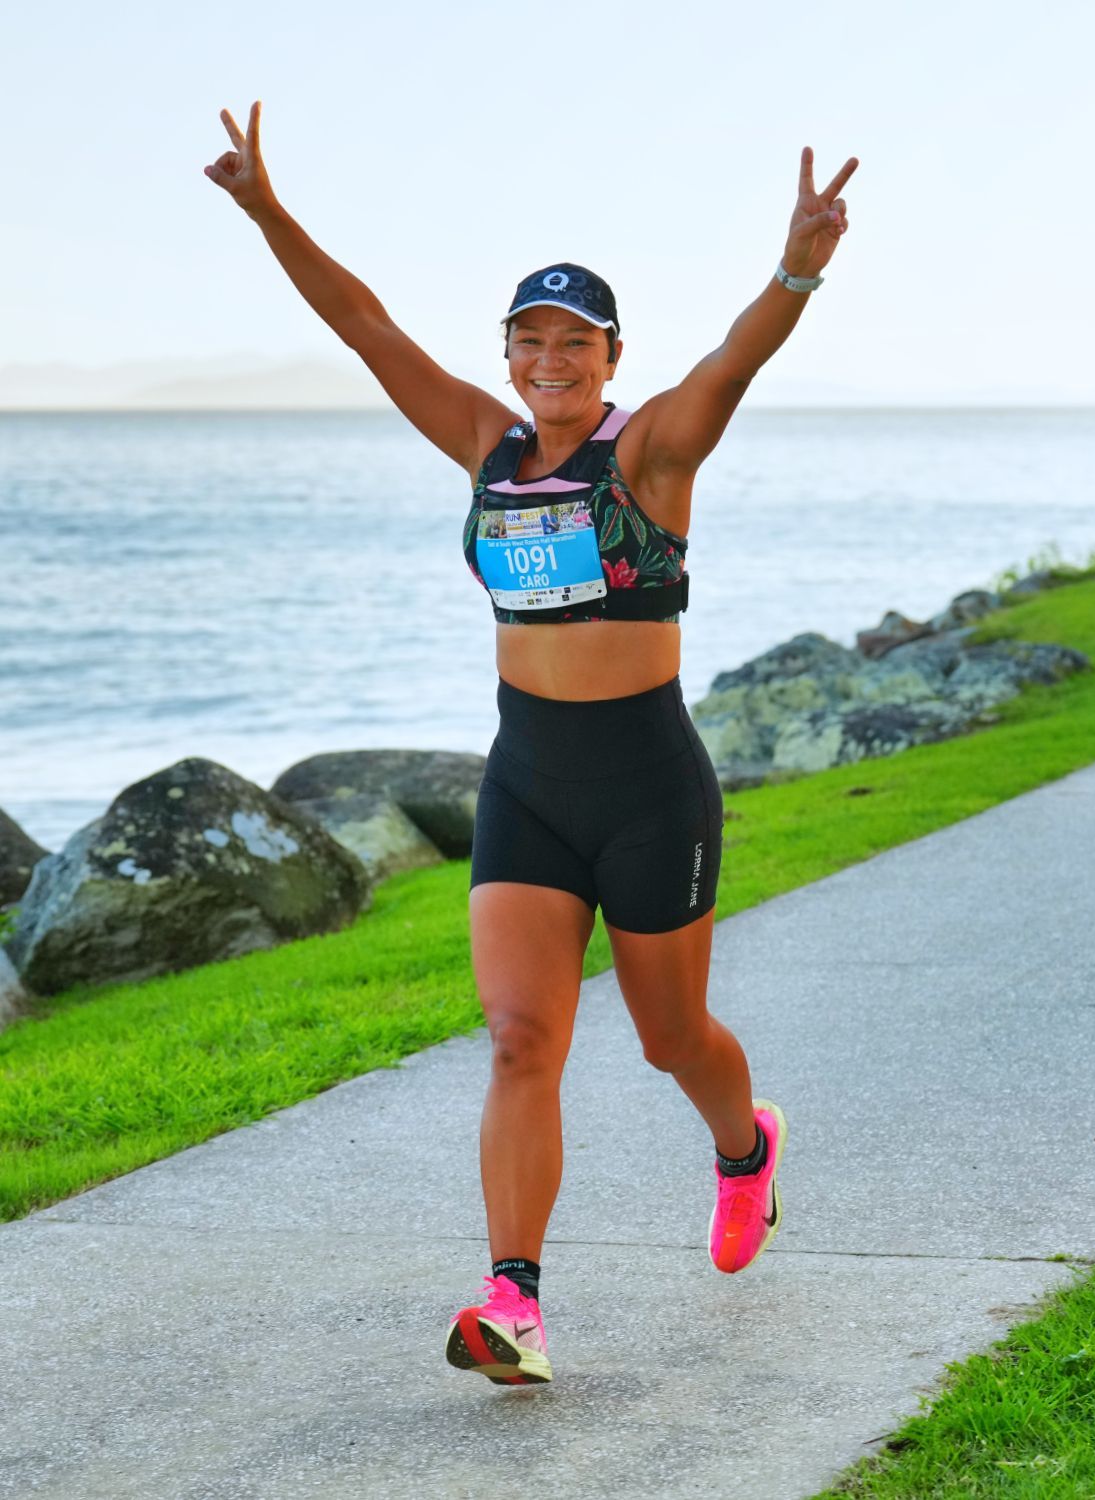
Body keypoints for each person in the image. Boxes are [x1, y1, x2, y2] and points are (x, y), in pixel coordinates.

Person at [204, 103, 857, 1387]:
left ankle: (743, 1148)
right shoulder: (484, 448)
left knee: (671, 1036)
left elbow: (732, 364)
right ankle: (514, 1300)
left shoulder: (650, 451)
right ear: (506, 356)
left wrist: (794, 270)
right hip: (528, 782)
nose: (550, 358)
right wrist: (265, 207)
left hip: (648, 785)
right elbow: (364, 327)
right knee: (517, 1038)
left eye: (574, 340)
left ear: (610, 356)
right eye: (530, 338)